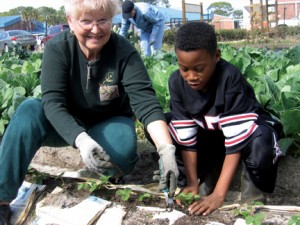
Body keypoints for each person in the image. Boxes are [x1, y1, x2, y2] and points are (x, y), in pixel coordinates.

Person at [0, 0, 178, 224]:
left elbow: (146, 103)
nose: (96, 29)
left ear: (111, 21)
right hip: (65, 122)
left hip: (108, 121)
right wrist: (81, 139)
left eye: (103, 20)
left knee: (123, 151)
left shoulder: (124, 51)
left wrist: (166, 149)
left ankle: (106, 173)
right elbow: (53, 103)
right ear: (71, 22)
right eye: (86, 21)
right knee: (28, 110)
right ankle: (2, 199)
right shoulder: (58, 49)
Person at [165, 22, 283, 216]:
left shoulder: (229, 77)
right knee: (165, 126)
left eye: (199, 68)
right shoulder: (176, 82)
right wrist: (193, 183)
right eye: (184, 68)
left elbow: (237, 141)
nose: (191, 76)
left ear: (216, 56)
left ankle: (252, 197)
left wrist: (220, 194)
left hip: (246, 134)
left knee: (261, 142)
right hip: (215, 135)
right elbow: (186, 139)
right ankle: (201, 180)